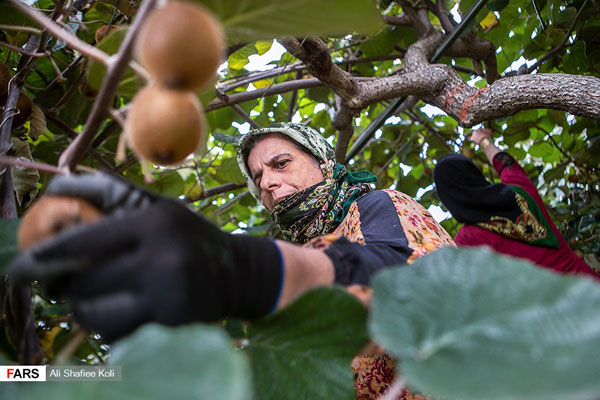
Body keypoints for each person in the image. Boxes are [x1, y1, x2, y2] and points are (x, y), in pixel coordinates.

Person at [10, 122, 455, 399]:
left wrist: (242, 269)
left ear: (323, 160)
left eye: (281, 164)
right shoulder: (300, 261)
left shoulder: (377, 206)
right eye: (259, 179)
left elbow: (410, 279)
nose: (269, 184)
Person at [433, 127, 598, 280]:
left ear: (450, 200)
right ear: (474, 174)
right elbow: (507, 165)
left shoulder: (468, 240)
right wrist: (483, 140)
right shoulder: (521, 192)